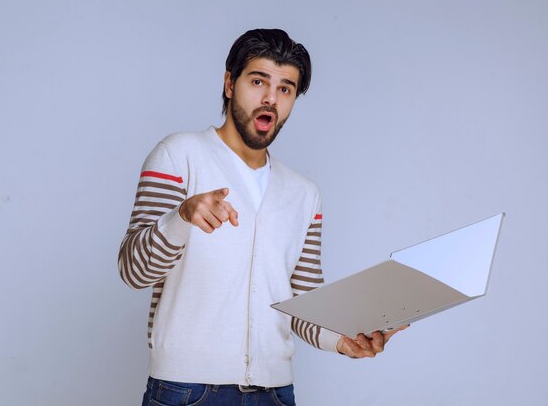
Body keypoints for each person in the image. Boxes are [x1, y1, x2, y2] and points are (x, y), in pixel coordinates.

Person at [119, 28, 406, 406]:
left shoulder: (303, 193)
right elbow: (133, 272)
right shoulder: (178, 156)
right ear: (229, 83)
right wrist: (182, 217)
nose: (271, 98)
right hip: (186, 391)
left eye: (286, 89)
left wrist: (343, 340)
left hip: (275, 393)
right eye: (258, 81)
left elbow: (303, 301)